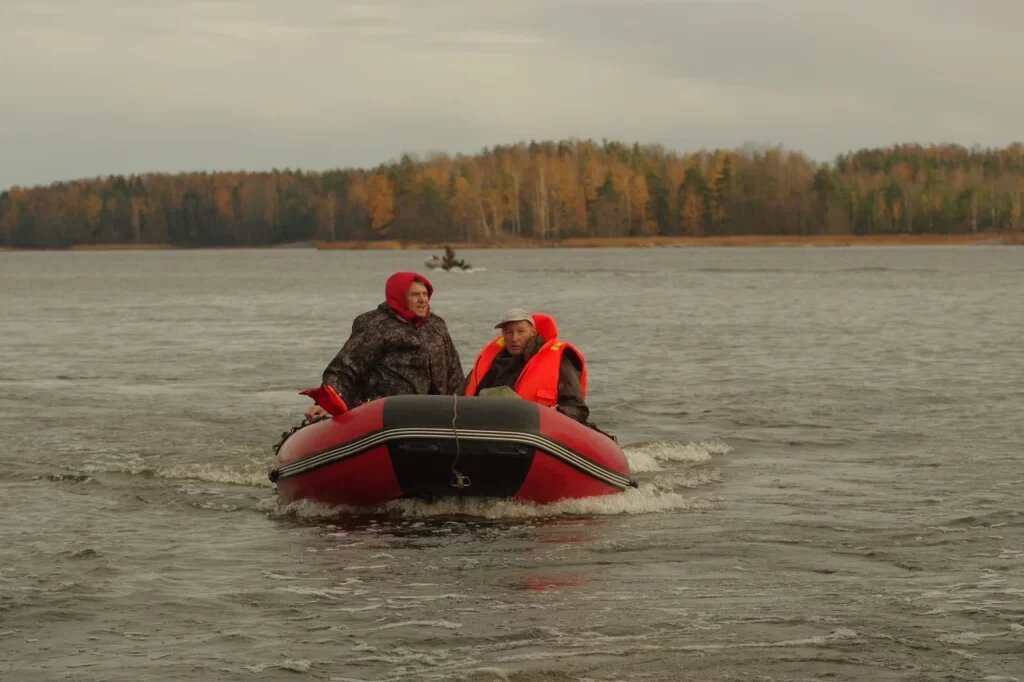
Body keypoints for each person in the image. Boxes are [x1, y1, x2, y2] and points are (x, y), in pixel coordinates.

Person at [304, 271, 464, 420]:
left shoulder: (437, 325)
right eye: (415, 295)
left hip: (434, 413)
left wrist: (462, 408)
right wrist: (326, 404)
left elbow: (453, 371)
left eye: (425, 294)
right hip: (385, 415)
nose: (423, 300)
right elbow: (346, 367)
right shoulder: (376, 325)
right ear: (399, 297)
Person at [461, 308, 590, 423]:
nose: (514, 338)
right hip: (487, 429)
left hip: (536, 435)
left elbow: (577, 409)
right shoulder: (491, 361)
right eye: (509, 332)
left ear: (533, 332)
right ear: (503, 335)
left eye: (521, 331)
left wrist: (547, 415)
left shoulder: (559, 359)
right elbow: (458, 398)